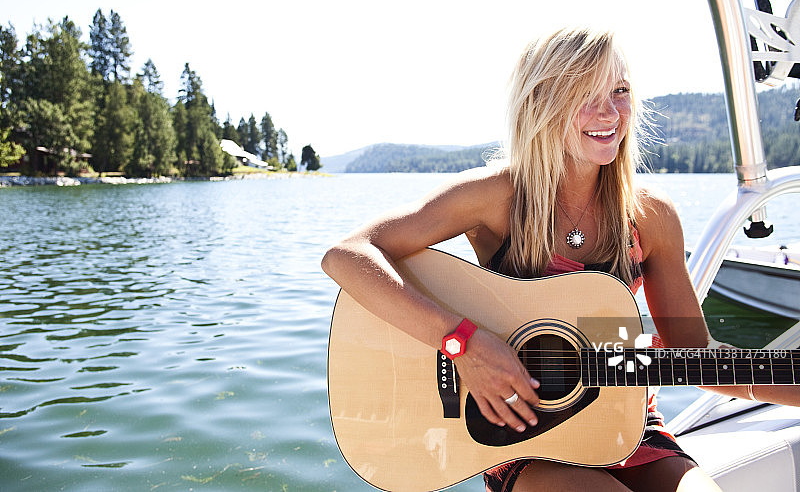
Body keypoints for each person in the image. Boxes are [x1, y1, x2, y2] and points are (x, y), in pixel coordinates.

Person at [321, 27, 794, 491]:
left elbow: (694, 353)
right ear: (544, 102)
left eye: (621, 90)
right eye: (586, 94)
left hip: (631, 429)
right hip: (524, 440)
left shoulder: (649, 216)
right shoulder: (494, 197)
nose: (609, 112)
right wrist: (463, 344)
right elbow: (348, 255)